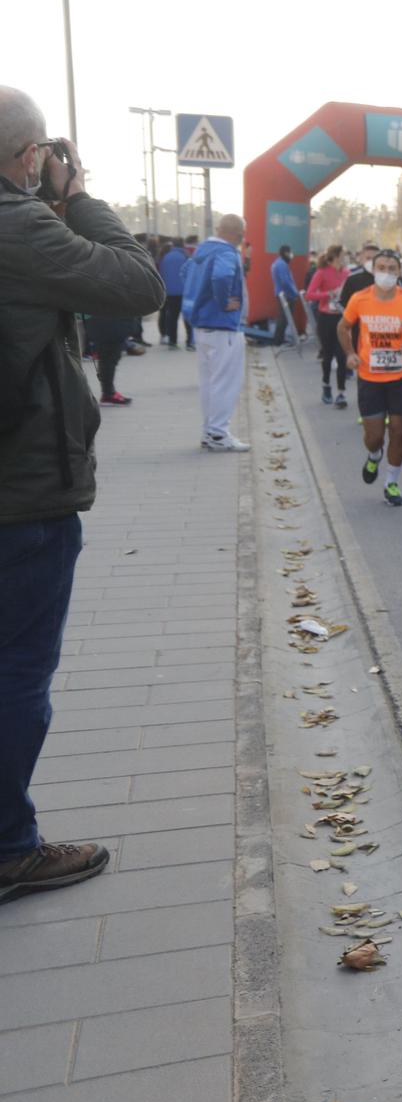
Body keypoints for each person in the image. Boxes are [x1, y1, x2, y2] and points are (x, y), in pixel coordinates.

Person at [0, 99, 165, 904]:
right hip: (20, 495)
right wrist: (80, 194)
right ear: (31, 154)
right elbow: (138, 284)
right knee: (18, 669)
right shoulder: (20, 227)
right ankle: (9, 848)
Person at [339, 249, 402, 507]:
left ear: (399, 272)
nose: (386, 273)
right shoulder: (360, 298)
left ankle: (391, 483)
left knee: (399, 432)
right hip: (369, 377)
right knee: (374, 435)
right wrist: (350, 354)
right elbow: (342, 327)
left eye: (392, 268)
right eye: (382, 267)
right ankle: (374, 454)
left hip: (401, 376)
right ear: (373, 269)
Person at [182, 214, 251, 452]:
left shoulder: (201, 252)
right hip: (224, 327)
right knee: (226, 383)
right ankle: (219, 434)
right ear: (237, 234)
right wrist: (223, 302)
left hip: (202, 325)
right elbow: (221, 276)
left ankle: (209, 432)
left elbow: (185, 276)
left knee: (209, 384)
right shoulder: (226, 253)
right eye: (241, 236)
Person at [304, 246, 353, 408]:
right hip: (325, 318)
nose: (345, 258)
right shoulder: (322, 273)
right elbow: (309, 294)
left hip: (342, 318)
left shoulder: (347, 273)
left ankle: (341, 393)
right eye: (343, 255)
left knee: (342, 355)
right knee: (328, 354)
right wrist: (329, 294)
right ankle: (326, 385)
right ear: (335, 257)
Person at [157, 234, 191, 347]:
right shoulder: (186, 256)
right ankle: (190, 341)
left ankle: (172, 341)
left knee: (172, 317)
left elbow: (162, 274)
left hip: (169, 292)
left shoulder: (166, 257)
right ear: (183, 244)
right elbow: (191, 274)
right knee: (187, 317)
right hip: (184, 291)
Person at [269, 244, 302, 347]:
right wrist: (294, 293)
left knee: (283, 318)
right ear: (286, 253)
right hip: (287, 295)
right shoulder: (282, 264)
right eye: (291, 252)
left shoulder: (277, 263)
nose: (292, 255)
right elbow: (286, 282)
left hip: (281, 293)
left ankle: (278, 340)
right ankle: (278, 341)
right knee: (284, 319)